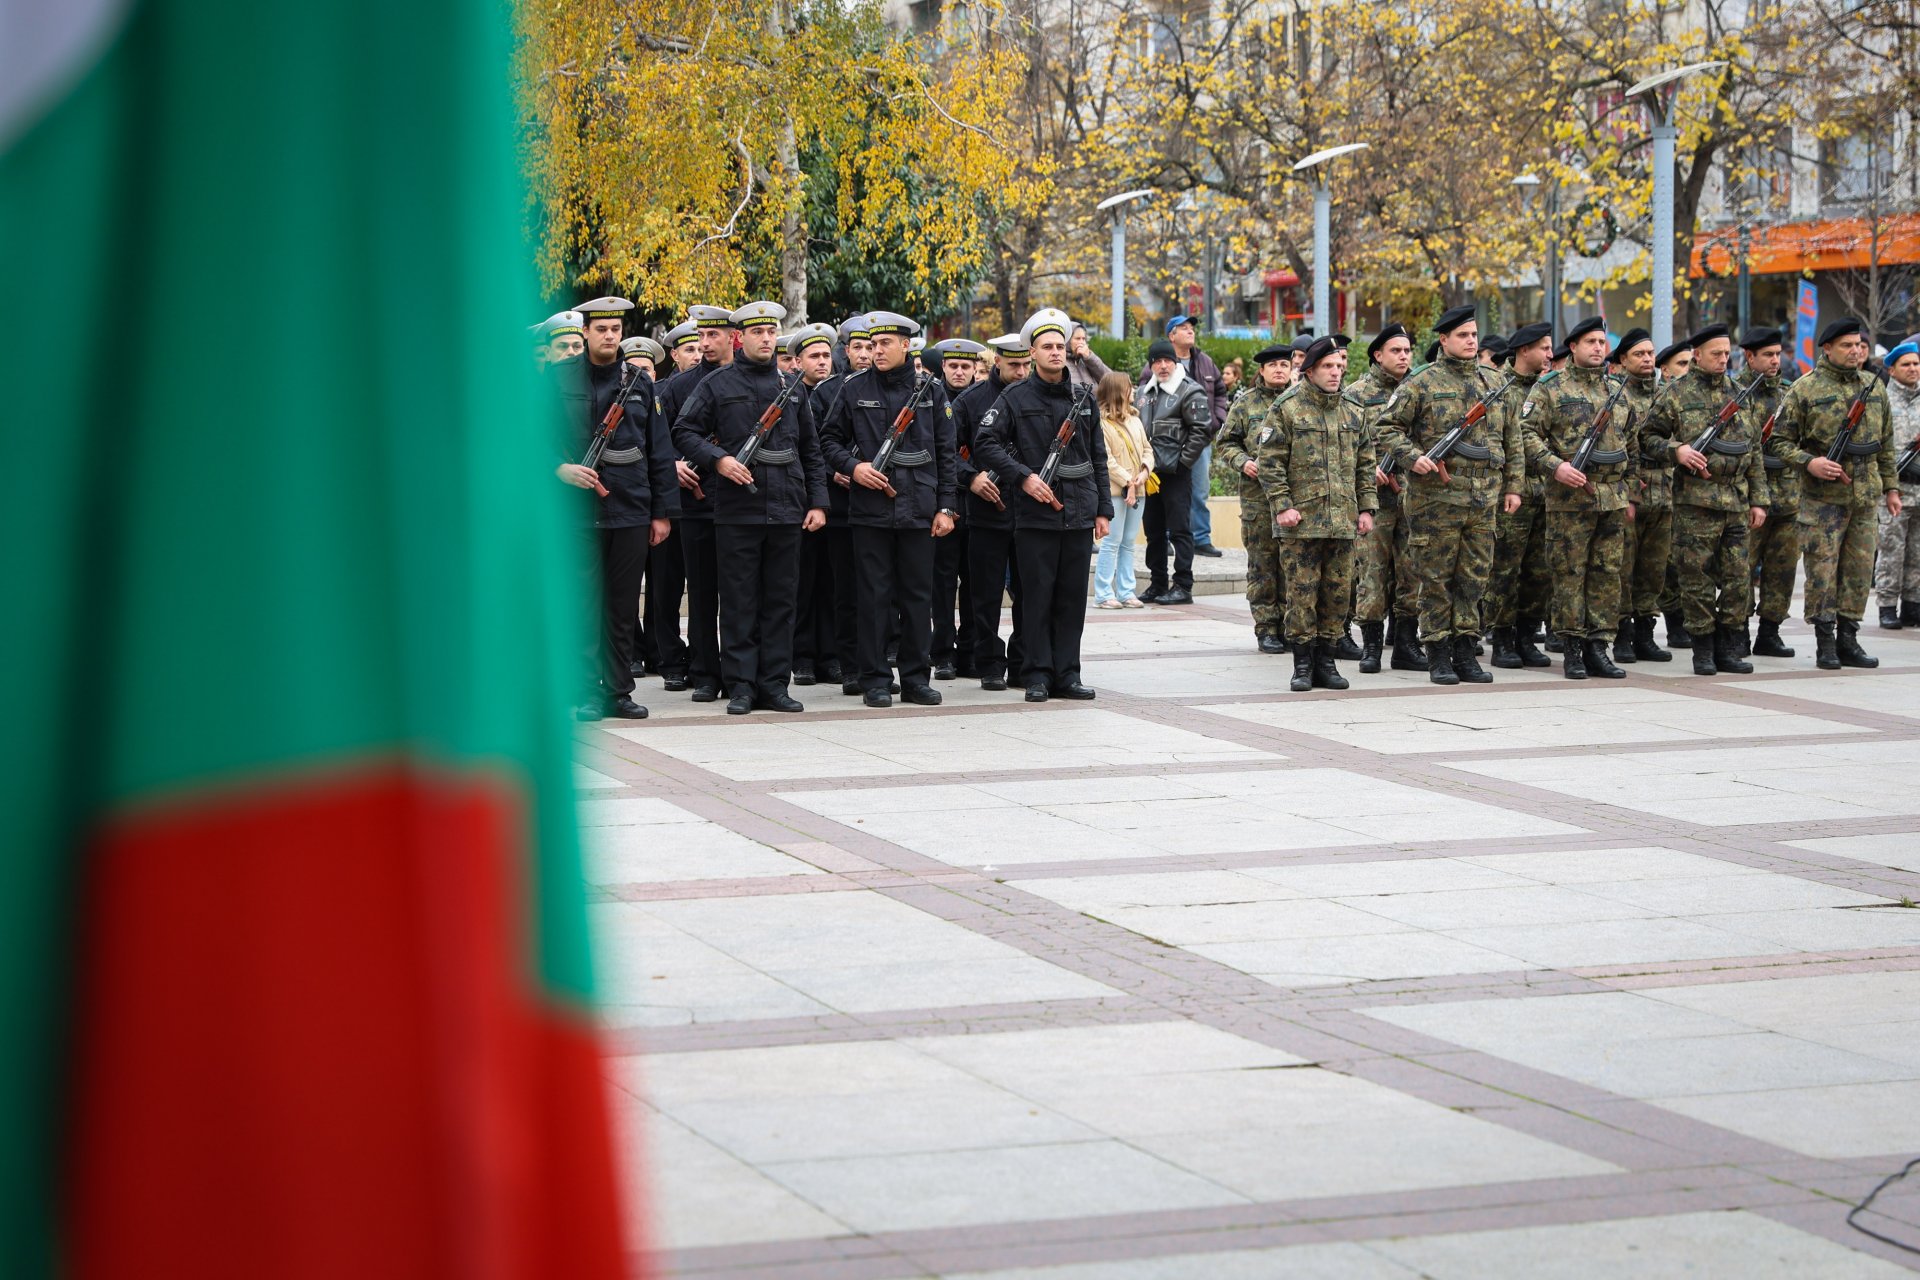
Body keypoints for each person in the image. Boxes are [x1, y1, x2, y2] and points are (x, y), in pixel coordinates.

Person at [672, 302, 828, 714]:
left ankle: (774, 684)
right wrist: (717, 460)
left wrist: (818, 503)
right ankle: (740, 684)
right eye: (757, 332)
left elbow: (810, 450)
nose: (765, 339)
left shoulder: (791, 386)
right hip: (738, 509)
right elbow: (684, 431)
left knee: (781, 600)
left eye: (770, 332)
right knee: (739, 600)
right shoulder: (717, 384)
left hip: (786, 507)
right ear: (740, 338)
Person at [1374, 305, 1524, 685]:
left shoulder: (1494, 382)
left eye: (1474, 335)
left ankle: (1465, 650)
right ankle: (1437, 652)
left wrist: (1513, 486)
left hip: (1483, 498)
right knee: (1436, 579)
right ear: (1444, 340)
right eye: (1463, 335)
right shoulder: (1422, 382)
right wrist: (1413, 458)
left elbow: (1514, 440)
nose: (1471, 341)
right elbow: (1386, 427)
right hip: (1436, 499)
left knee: (1474, 578)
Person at [819, 311, 957, 707]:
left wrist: (946, 507)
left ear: (906, 345)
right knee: (873, 598)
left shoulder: (930, 392)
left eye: (885, 344)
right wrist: (854, 467)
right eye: (872, 344)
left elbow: (946, 452)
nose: (876, 351)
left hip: (919, 508)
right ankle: (875, 678)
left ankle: (916, 677)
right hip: (870, 510)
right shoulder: (852, 388)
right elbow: (828, 440)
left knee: (917, 597)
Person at [974, 308, 1112, 701]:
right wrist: (1022, 475)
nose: (1055, 352)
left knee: (1071, 599)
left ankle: (1067, 674)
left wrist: (1103, 509)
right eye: (1046, 347)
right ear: (1031, 352)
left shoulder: (1084, 396)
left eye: (1059, 346)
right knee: (1036, 597)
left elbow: (1097, 456)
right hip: (1035, 515)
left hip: (1080, 511)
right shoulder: (1014, 396)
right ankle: (1035, 673)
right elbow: (986, 442)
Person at [552, 296, 678, 721]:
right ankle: (587, 691)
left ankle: (619, 691)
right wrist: (560, 468)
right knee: (585, 603)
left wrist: (662, 512)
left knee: (623, 605)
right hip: (574, 510)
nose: (609, 336)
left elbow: (660, 450)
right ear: (585, 332)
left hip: (630, 505)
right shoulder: (555, 379)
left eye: (615, 329)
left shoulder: (639, 383)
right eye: (601, 329)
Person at [1772, 317, 1903, 669]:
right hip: (1822, 501)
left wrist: (1891, 488)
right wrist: (1809, 462)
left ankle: (1849, 638)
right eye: (1846, 345)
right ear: (1827, 348)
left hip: (1865, 498)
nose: (1855, 351)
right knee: (1822, 572)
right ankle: (1825, 640)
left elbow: (1886, 444)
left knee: (1859, 572)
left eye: (1859, 345)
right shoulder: (1804, 389)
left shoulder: (1874, 388)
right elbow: (1778, 441)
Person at [1642, 323, 1768, 676]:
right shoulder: (1675, 394)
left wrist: (1759, 500)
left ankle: (1729, 645)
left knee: (1737, 579)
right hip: (1695, 504)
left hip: (1736, 502)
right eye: (1716, 353)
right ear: (1697, 355)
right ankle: (1703, 649)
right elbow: (1647, 438)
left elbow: (1754, 451)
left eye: (1727, 353)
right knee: (1695, 580)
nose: (1723, 360)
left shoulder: (1740, 393)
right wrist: (1677, 450)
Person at [1259, 335, 1378, 692]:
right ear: (1309, 370)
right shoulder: (1287, 408)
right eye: (1328, 366)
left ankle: (1326, 660)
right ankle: (1302, 664)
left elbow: (1365, 464)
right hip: (1301, 524)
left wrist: (1367, 507)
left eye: (1340, 366)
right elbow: (1270, 463)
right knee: (1301, 595)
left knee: (1338, 594)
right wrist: (1283, 506)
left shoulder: (1353, 411)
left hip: (1342, 522)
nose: (1336, 372)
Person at [1520, 315, 1635, 679]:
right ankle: (1571, 647)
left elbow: (1630, 439)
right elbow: (1525, 434)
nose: (1599, 348)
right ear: (1573, 347)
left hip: (1611, 498)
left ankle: (1598, 646)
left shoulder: (1616, 389)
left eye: (1602, 343)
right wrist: (1555, 466)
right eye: (1591, 343)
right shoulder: (1550, 388)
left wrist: (1628, 485)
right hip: (1570, 500)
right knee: (1569, 574)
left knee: (1606, 574)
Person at [654, 303, 737, 701]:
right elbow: (657, 436)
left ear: (732, 337)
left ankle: (741, 673)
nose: (704, 343)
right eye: (700, 336)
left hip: (741, 506)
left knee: (740, 596)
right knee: (701, 595)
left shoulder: (751, 380)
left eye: (712, 335)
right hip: (695, 505)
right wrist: (671, 465)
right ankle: (705, 673)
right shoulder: (679, 386)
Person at [956, 333, 1032, 690]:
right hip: (986, 511)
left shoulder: (1036, 395)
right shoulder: (971, 401)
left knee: (1028, 591)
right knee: (984, 595)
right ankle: (988, 662)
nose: (1020, 372)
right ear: (996, 362)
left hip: (1030, 512)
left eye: (1025, 365)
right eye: (1013, 364)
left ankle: (1020, 662)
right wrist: (970, 479)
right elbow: (947, 451)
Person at [1348, 323, 1425, 673]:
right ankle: (1372, 648)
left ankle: (1407, 645)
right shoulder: (1356, 394)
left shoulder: (1421, 389)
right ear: (1377, 355)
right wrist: (1365, 470)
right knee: (1372, 575)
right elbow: (1341, 444)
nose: (1404, 356)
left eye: (1407, 350)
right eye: (1396, 350)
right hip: (1374, 501)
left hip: (1414, 496)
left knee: (1411, 574)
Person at [1485, 322, 1556, 669]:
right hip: (1511, 496)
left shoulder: (1551, 389)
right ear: (1524, 349)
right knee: (1505, 570)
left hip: (1548, 494)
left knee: (1539, 571)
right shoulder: (1499, 389)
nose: (1550, 354)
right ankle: (1502, 638)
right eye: (1544, 347)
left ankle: (1528, 636)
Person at [1215, 342, 1293, 651]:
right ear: (1261, 370)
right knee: (1263, 564)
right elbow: (1226, 443)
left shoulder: (1299, 402)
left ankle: (1290, 624)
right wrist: (1243, 462)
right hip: (1258, 499)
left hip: (1292, 497)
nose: (1278, 370)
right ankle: (1266, 627)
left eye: (1284, 365)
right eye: (1272, 365)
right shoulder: (1245, 403)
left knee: (1292, 564)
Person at [1610, 328, 1673, 661]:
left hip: (1665, 493)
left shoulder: (1669, 393)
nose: (1648, 359)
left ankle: (1646, 633)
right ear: (1622, 360)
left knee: (1654, 568)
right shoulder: (1615, 395)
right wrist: (1630, 491)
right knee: (1624, 567)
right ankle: (1622, 634)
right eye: (1639, 354)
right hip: (1630, 494)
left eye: (1650, 353)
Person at [1136, 337, 1213, 605]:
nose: (1163, 365)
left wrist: (1183, 463)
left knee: (1180, 529)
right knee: (1153, 531)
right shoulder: (1144, 393)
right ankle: (1158, 583)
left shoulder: (1190, 390)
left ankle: (1183, 585)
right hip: (1150, 473)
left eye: (1167, 360)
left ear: (1175, 361)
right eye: (1157, 361)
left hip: (1176, 473)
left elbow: (1202, 430)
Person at [927, 338, 988, 678]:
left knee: (975, 584)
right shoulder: (933, 399)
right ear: (944, 368)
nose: (961, 372)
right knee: (943, 583)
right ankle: (943, 653)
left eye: (967, 367)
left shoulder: (984, 402)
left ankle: (970, 651)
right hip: (946, 506)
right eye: (954, 366)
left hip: (978, 506)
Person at [1737, 327, 1798, 656]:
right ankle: (1739, 629)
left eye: (1778, 354)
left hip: (1788, 494)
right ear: (1750, 356)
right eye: (1768, 355)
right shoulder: (1735, 394)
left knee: (1783, 566)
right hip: (1748, 496)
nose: (1776, 360)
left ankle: (1770, 630)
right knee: (1742, 566)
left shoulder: (1791, 393)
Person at [790, 324, 845, 686]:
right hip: (802, 503)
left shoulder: (840, 391)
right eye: (815, 356)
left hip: (837, 505)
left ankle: (831, 656)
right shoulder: (791, 394)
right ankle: (803, 657)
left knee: (833, 585)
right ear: (798, 362)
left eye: (826, 355)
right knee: (802, 585)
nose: (823, 362)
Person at [1155, 315, 1228, 555]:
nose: (1190, 331)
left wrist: (1215, 421)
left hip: (1200, 440)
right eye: (1183, 328)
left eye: (1191, 328)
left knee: (1199, 491)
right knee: (1168, 490)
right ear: (1171, 335)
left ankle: (1201, 539)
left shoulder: (1205, 362)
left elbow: (1219, 391)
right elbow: (1146, 395)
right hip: (1168, 443)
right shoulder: (1159, 363)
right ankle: (1166, 539)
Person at [1093, 371, 1152, 608]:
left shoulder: (1135, 420)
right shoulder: (1101, 424)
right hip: (1116, 491)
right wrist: (1129, 480)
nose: (1134, 391)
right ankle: (1104, 593)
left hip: (1138, 489)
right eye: (1129, 387)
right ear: (1119, 391)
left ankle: (1127, 591)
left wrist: (1144, 472)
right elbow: (1106, 460)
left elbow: (1147, 449)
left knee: (1129, 542)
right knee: (1111, 542)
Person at [1875, 340, 1920, 628]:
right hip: (1895, 488)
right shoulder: (1882, 402)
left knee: (1918, 551)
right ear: (1892, 370)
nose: (1913, 369)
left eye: (1916, 364)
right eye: (1906, 364)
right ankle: (1887, 605)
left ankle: (1914, 604)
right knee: (1891, 550)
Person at [1066, 323, 1112, 390]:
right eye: (1078, 339)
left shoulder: (1086, 361)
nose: (1082, 342)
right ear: (1067, 341)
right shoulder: (1061, 362)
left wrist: (1090, 357)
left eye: (1084, 339)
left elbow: (1112, 381)